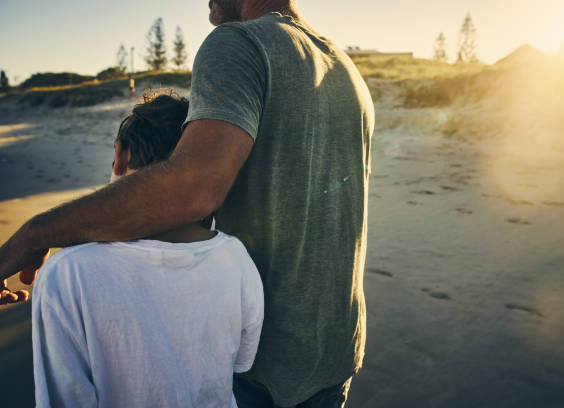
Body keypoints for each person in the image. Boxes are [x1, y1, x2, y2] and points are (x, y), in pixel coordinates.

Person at [0, 1, 374, 406]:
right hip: (334, 355)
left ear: (120, 155)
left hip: (260, 376)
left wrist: (34, 235)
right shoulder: (345, 68)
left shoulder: (240, 42)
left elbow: (192, 189)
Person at [31, 93, 265, 407]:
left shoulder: (67, 273)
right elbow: (240, 363)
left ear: (120, 156)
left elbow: (63, 398)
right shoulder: (235, 258)